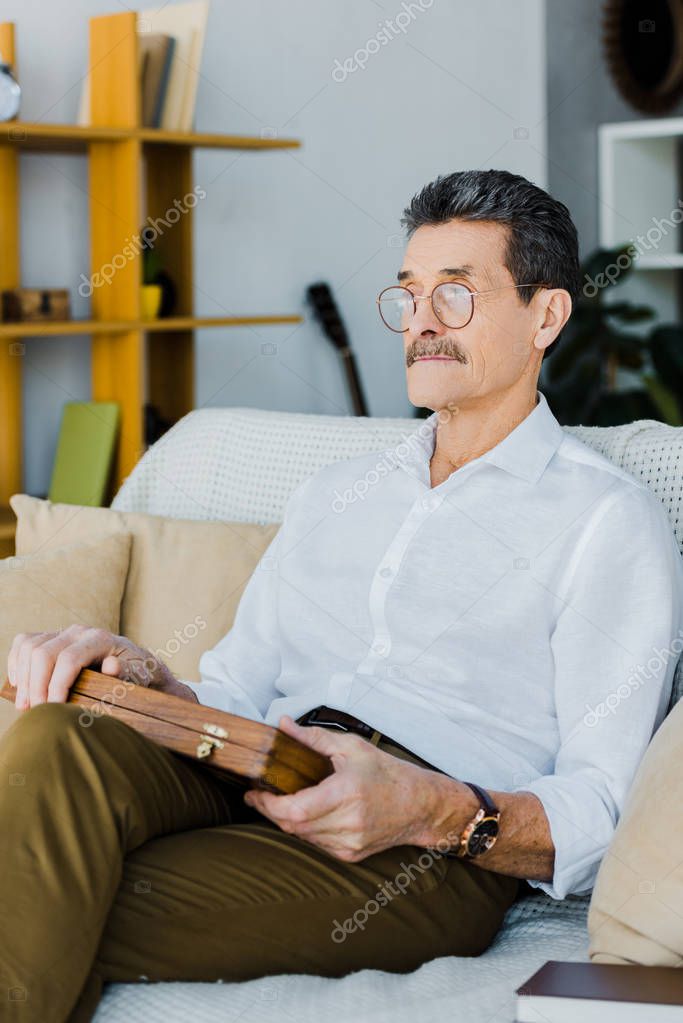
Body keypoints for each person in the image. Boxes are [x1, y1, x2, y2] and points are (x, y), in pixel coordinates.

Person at [3, 169, 683, 1023]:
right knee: (61, 732)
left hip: (418, 850)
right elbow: (235, 691)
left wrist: (434, 808)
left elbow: (602, 804)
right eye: (408, 294)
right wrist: (146, 678)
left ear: (544, 316)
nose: (422, 322)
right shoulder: (336, 491)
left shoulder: (605, 520)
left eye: (456, 294)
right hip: (259, 762)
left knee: (39, 883)